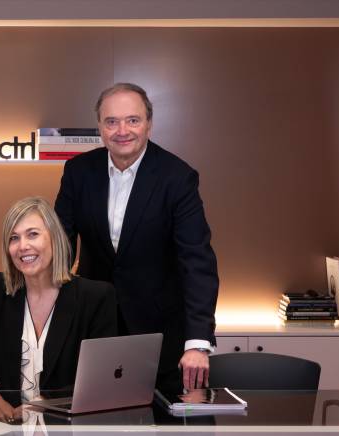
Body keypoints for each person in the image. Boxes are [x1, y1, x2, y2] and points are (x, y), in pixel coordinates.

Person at [54, 83, 219, 392]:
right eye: (111, 121)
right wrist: (46, 313)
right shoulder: (78, 171)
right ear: (100, 127)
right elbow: (59, 246)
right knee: (95, 416)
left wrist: (198, 341)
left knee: (160, 417)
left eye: (133, 120)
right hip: (94, 328)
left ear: (149, 124)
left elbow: (197, 262)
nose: (122, 131)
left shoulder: (177, 177)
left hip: (160, 336)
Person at [0, 197, 117, 423]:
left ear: (55, 238)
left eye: (33, 234)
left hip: (69, 428)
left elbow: (102, 380)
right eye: (14, 238)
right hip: (11, 428)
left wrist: (44, 405)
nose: (22, 246)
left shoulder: (95, 297)